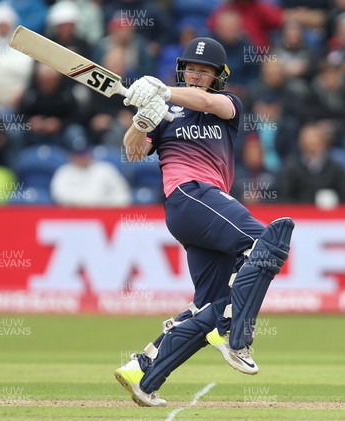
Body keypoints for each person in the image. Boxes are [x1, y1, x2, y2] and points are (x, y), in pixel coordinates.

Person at [113, 37, 294, 406]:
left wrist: (164, 91)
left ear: (217, 77)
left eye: (205, 71)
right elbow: (132, 153)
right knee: (268, 241)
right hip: (188, 196)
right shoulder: (163, 115)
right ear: (183, 70)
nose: (197, 76)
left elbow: (207, 102)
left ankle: (144, 372)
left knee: (211, 305)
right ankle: (236, 333)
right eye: (192, 69)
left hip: (203, 207)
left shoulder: (227, 105)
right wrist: (142, 119)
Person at [50, 143, 131, 207]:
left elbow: (123, 194)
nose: (82, 158)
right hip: (73, 214)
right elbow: (58, 195)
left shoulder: (105, 169)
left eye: (84, 154)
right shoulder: (64, 171)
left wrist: (102, 203)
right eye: (78, 154)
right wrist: (82, 203)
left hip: (103, 212)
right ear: (72, 156)